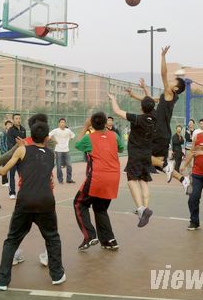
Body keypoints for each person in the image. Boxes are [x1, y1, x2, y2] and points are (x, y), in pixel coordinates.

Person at [0, 121, 66, 291]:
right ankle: (57, 276)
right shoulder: (51, 154)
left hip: (25, 200)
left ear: (30, 135)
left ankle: (2, 281)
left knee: (12, 240)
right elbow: (38, 155)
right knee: (52, 238)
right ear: (46, 138)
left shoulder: (22, 150)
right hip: (46, 200)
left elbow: (4, 171)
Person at [126, 46, 186, 180]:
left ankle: (166, 165)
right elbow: (149, 100)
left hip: (159, 132)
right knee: (159, 164)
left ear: (176, 88)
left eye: (173, 82)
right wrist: (135, 94)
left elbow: (163, 74)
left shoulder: (169, 93)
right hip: (163, 134)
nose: (169, 82)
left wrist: (163, 56)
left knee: (143, 155)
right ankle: (183, 179)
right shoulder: (167, 98)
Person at [74, 112, 124, 250]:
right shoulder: (114, 135)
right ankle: (109, 240)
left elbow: (77, 144)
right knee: (100, 208)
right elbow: (121, 149)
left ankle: (90, 236)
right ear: (106, 122)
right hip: (114, 177)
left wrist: (85, 127)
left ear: (92, 123)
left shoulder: (89, 137)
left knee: (79, 203)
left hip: (98, 177)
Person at [109, 93, 156, 228]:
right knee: (143, 181)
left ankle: (141, 209)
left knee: (131, 180)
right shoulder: (155, 118)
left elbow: (117, 111)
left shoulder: (137, 118)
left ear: (141, 107)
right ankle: (146, 207)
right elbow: (149, 103)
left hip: (136, 155)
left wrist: (113, 99)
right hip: (147, 154)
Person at [49, 118, 76, 184]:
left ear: (65, 123)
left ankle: (69, 179)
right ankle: (60, 180)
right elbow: (49, 135)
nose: (62, 123)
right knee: (59, 166)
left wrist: (69, 139)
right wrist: (54, 140)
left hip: (66, 150)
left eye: (64, 122)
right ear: (59, 124)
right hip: (58, 150)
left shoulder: (68, 130)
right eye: (61, 122)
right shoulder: (55, 130)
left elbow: (73, 135)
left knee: (69, 165)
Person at [6, 114, 27, 199]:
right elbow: (10, 145)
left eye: (19, 118)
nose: (18, 120)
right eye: (16, 118)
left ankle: (23, 191)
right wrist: (17, 151)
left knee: (23, 175)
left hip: (21, 157)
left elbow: (24, 142)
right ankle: (12, 193)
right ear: (13, 120)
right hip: (13, 157)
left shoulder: (23, 130)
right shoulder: (10, 131)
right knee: (11, 175)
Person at [0, 120, 13, 186]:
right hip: (5, 154)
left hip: (10, 153)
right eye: (8, 124)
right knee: (5, 167)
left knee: (9, 167)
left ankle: (8, 181)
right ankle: (4, 182)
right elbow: (2, 144)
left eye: (10, 124)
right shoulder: (3, 134)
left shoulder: (11, 134)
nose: (10, 126)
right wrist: (7, 153)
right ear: (5, 126)